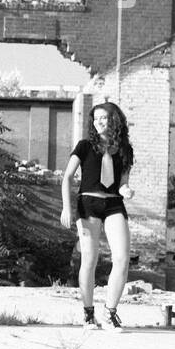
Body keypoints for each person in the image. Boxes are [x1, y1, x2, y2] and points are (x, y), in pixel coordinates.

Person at [61, 101, 134, 331]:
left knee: (122, 258)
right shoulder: (84, 146)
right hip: (88, 203)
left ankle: (109, 313)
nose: (99, 122)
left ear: (115, 120)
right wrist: (67, 207)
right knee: (89, 260)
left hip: (113, 204)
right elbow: (67, 177)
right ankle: (88, 313)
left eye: (104, 117)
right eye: (96, 118)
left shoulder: (125, 149)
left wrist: (127, 190)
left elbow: (122, 183)